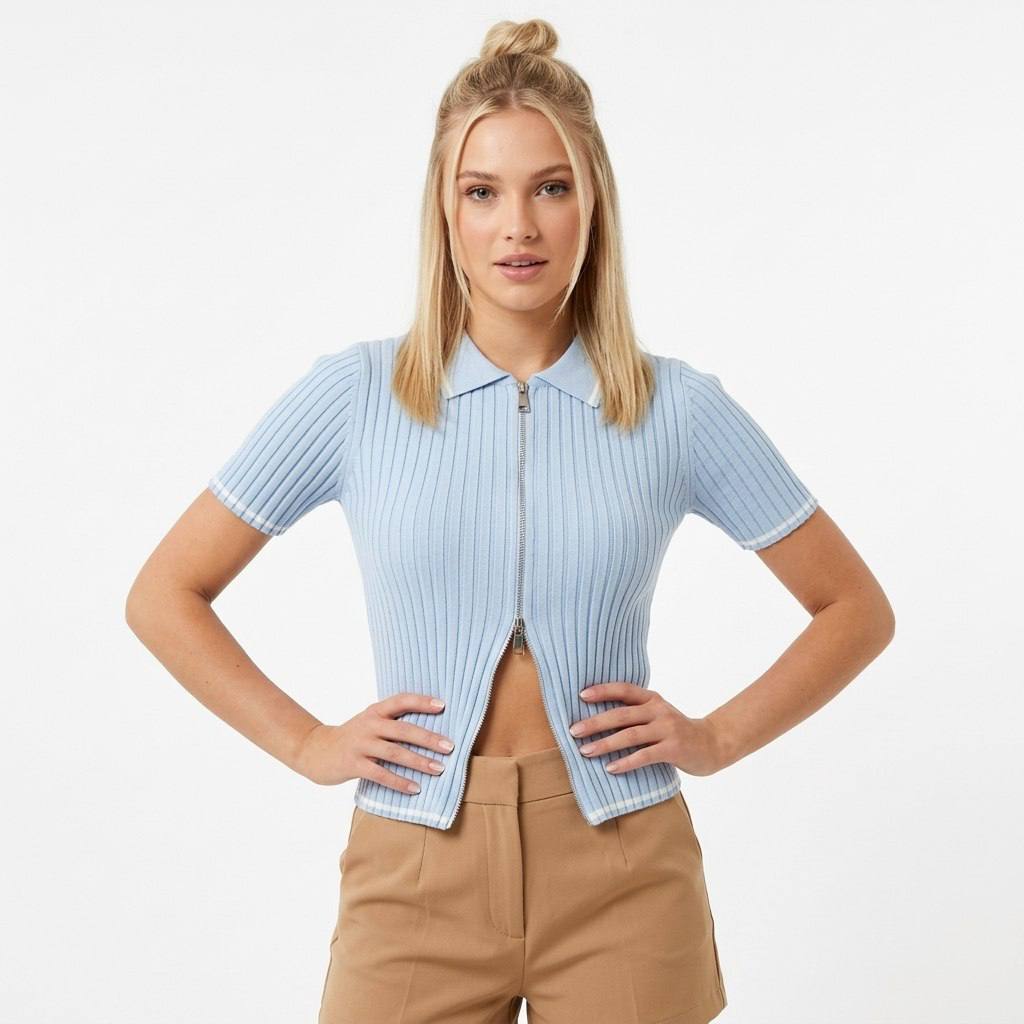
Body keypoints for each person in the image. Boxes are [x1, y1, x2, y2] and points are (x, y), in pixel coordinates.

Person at [125, 17, 895, 1024]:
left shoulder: (675, 408)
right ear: (444, 212)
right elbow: (164, 594)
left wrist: (714, 737)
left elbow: (854, 609)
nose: (517, 226)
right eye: (482, 192)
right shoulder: (356, 396)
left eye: (551, 188)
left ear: (593, 202)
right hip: (413, 865)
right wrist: (308, 742)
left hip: (623, 863)